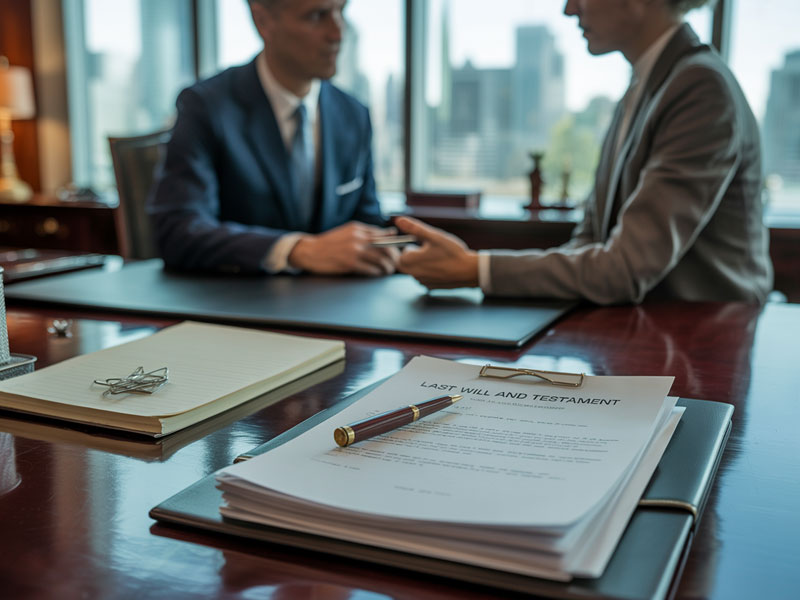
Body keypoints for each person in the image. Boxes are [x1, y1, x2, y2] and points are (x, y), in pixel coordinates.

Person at [397, 0, 773, 304]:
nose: (568, 9)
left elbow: (625, 268)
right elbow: (591, 242)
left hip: (705, 343)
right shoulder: (644, 86)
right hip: (649, 334)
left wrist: (473, 269)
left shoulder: (699, 87)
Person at [148, 0, 398, 276]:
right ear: (262, 20)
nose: (338, 33)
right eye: (317, 16)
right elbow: (178, 230)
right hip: (239, 305)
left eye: (341, 11)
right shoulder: (206, 106)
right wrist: (299, 250)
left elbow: (367, 223)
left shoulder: (353, 115)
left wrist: (407, 254)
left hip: (336, 308)